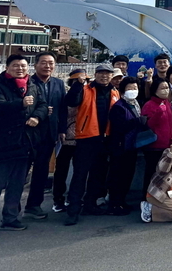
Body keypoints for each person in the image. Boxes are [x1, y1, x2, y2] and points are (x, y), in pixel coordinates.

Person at [0, 54, 48, 235]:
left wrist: (37, 117)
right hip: (4, 144)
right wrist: (20, 104)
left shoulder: (32, 86)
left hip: (25, 143)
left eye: (23, 66)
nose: (20, 69)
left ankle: (10, 218)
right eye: (15, 66)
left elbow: (43, 105)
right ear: (7, 68)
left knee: (17, 184)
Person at [64, 63, 120, 225]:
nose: (104, 76)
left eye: (107, 73)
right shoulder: (85, 89)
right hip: (86, 138)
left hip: (105, 139)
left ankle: (90, 204)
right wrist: (77, 85)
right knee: (80, 175)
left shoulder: (115, 92)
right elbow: (71, 101)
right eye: (101, 73)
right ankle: (73, 210)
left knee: (98, 175)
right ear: (95, 75)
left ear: (111, 76)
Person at [24, 50, 65, 220]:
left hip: (49, 134)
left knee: (41, 172)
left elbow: (62, 109)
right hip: (28, 134)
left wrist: (61, 130)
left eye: (51, 63)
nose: (47, 66)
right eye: (43, 62)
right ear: (35, 65)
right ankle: (12, 209)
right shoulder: (27, 82)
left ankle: (33, 206)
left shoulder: (58, 83)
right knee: (21, 172)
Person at [108, 76, 149, 216]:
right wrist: (138, 121)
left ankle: (122, 201)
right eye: (129, 88)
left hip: (132, 146)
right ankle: (115, 204)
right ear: (123, 90)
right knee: (118, 176)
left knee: (127, 175)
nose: (133, 90)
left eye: (135, 88)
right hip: (121, 147)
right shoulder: (118, 107)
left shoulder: (136, 104)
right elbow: (119, 127)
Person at [53, 68, 86, 213]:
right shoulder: (66, 95)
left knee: (79, 172)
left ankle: (73, 198)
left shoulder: (88, 93)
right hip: (65, 139)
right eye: (76, 80)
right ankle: (58, 199)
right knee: (61, 171)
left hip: (82, 139)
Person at [141, 78, 172, 202]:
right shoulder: (149, 105)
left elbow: (171, 122)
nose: (166, 90)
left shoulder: (167, 103)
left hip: (166, 145)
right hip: (153, 146)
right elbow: (147, 126)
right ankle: (146, 199)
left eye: (167, 88)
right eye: (162, 88)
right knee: (151, 173)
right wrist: (158, 113)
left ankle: (159, 199)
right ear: (155, 90)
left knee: (164, 175)